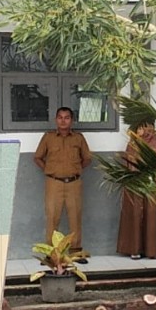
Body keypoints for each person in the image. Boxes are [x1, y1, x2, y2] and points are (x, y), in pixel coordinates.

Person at [35, 107, 93, 260]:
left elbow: (87, 158)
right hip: (53, 183)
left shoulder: (78, 138)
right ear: (56, 120)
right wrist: (48, 170)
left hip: (74, 183)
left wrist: (76, 169)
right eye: (60, 117)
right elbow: (37, 157)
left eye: (67, 117)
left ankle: (76, 252)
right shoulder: (48, 138)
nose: (63, 121)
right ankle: (52, 254)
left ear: (71, 120)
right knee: (52, 217)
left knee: (75, 217)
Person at [116, 122, 156, 260]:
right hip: (135, 183)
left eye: (143, 128)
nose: (140, 131)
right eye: (138, 128)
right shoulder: (132, 144)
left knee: (151, 214)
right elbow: (127, 162)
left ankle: (152, 250)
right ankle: (134, 249)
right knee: (134, 213)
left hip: (151, 183)